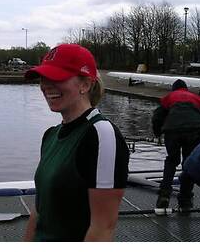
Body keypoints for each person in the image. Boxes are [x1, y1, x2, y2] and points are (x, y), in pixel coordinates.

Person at [23, 44, 129, 242]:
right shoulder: (50, 135)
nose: (46, 85)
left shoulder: (101, 134)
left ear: (85, 85)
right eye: (44, 78)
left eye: (57, 78)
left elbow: (103, 227)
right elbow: (39, 211)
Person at [152, 79, 200, 211]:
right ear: (186, 89)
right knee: (189, 163)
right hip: (194, 131)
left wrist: (158, 133)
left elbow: (157, 117)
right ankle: (185, 199)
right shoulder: (195, 98)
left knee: (171, 161)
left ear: (174, 89)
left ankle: (164, 196)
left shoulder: (169, 97)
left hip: (172, 131)